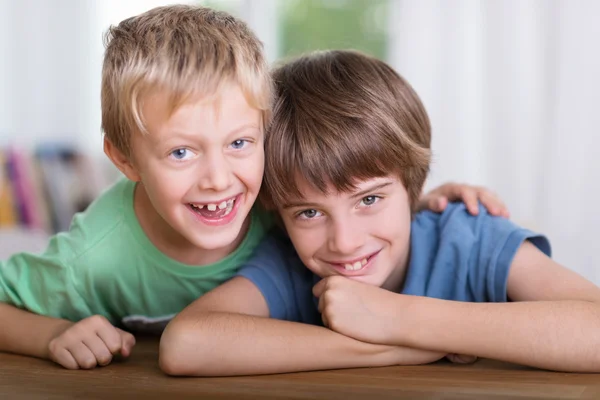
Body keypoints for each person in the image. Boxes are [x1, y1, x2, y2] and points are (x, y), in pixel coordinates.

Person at [0, 6, 503, 370]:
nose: (219, 179)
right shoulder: (93, 256)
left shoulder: (271, 194)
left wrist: (419, 199)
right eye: (181, 152)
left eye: (240, 142)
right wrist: (52, 335)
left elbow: (344, 194)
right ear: (124, 159)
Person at [160, 50, 600, 376]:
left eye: (369, 200)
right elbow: (186, 343)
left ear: (414, 186)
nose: (346, 241)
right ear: (277, 210)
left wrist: (401, 318)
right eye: (309, 213)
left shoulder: (468, 236)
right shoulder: (288, 260)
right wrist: (395, 347)